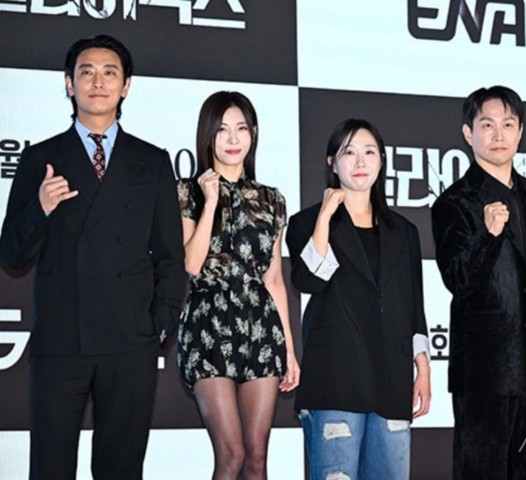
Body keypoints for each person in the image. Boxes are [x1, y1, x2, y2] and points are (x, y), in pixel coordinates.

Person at [0, 35, 186, 479]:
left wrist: (159, 324)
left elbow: (170, 255)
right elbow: (12, 254)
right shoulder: (41, 158)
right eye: (86, 72)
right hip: (61, 341)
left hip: (130, 343)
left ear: (126, 86)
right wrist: (40, 207)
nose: (97, 82)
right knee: (50, 466)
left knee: (121, 468)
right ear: (69, 84)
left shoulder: (152, 161)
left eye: (109, 73)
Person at [431, 85, 526, 479]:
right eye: (487, 125)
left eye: (507, 124)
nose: (498, 135)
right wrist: (488, 235)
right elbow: (457, 279)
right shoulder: (455, 203)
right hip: (485, 371)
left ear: (520, 132)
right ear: (468, 133)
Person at [285, 118, 431, 480]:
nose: (360, 161)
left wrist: (423, 367)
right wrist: (325, 217)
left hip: (391, 378)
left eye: (369, 152)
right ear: (333, 163)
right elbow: (308, 280)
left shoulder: (404, 232)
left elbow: (414, 304)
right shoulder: (307, 223)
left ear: (382, 161)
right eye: (349, 152)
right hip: (335, 378)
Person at [176, 91, 300, 480]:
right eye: (223, 129)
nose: (233, 139)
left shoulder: (272, 200)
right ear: (208, 135)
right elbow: (191, 264)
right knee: (232, 454)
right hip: (208, 326)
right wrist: (211, 202)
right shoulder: (188, 192)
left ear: (253, 133)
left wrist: (289, 350)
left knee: (256, 460)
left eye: (241, 128)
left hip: (262, 327)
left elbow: (274, 279)